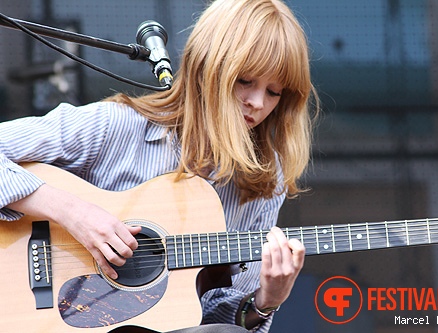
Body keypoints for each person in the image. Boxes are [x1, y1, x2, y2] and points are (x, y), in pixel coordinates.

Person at [0, 0, 319, 332]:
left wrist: (264, 302)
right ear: (207, 69)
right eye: (245, 81)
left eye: (274, 92)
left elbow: (219, 315)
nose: (258, 102)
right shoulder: (114, 126)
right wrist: (74, 213)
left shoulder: (266, 179)